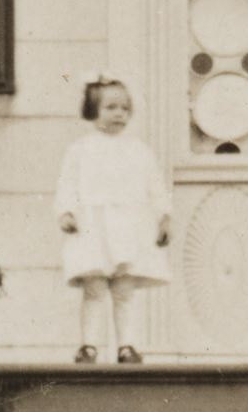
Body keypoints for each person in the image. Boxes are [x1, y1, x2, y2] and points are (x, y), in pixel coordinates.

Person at [52, 77, 175, 365]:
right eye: (110, 107)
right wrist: (66, 211)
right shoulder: (81, 149)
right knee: (94, 289)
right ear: (93, 110)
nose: (119, 114)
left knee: (124, 290)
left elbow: (156, 186)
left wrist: (164, 217)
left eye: (124, 108)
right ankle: (89, 346)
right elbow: (67, 183)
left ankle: (127, 346)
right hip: (93, 227)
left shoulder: (139, 150)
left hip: (129, 227)